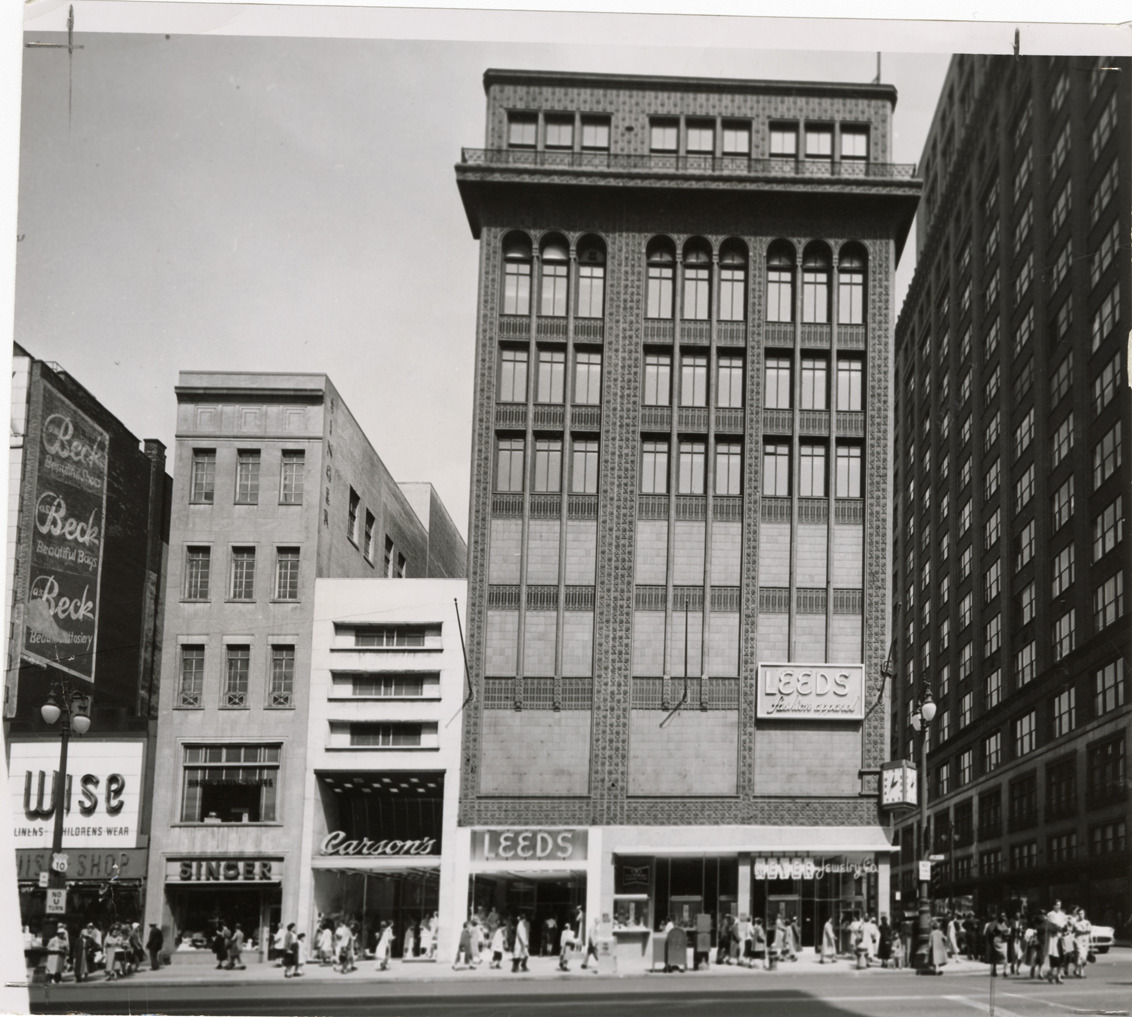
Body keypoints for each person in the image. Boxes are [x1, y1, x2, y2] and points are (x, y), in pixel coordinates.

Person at [987, 913, 1010, 977]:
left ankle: (1005, 971)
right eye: (1002, 916)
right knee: (995, 956)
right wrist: (997, 932)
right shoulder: (994, 923)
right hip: (997, 940)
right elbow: (990, 931)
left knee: (1005, 956)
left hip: (1004, 941)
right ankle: (994, 970)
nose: (1003, 917)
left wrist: (1007, 934)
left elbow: (1009, 930)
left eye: (1004, 916)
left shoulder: (1006, 923)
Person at [1073, 909, 1092, 978]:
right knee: (1080, 955)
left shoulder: (1087, 922)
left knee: (1084, 957)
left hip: (1085, 941)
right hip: (1078, 940)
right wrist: (1085, 930)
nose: (1081, 915)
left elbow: (1089, 930)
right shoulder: (1076, 922)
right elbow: (1078, 930)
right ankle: (1079, 972)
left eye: (1082, 913)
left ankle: (1079, 971)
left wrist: (1085, 931)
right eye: (1079, 914)